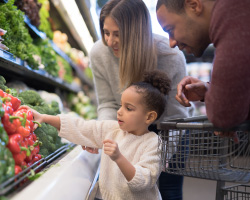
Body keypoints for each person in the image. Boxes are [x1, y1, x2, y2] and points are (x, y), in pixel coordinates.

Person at [88, 0, 193, 199]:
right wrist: (105, 136)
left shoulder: (170, 55)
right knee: (123, 188)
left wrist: (159, 160)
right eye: (106, 32)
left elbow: (174, 116)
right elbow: (108, 103)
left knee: (168, 191)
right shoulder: (99, 53)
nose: (110, 42)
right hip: (127, 127)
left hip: (168, 129)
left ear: (137, 33)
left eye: (117, 34)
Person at [26, 70, 171, 200]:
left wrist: (118, 157)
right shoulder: (112, 129)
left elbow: (143, 182)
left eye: (128, 108)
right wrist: (44, 118)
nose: (119, 111)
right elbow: (81, 127)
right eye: (120, 105)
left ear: (149, 117)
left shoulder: (154, 143)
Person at [156, 0, 250, 128]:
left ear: (194, 6)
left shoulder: (233, 16)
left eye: (170, 30)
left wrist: (219, 102)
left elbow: (223, 116)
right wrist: (209, 91)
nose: (171, 43)